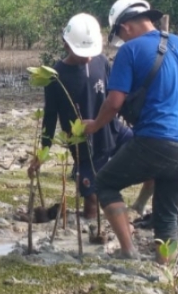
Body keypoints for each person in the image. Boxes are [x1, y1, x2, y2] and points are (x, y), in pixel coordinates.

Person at [83, 0, 178, 260]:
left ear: (125, 26)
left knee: (104, 183)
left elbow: (114, 102)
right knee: (167, 209)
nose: (122, 40)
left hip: (156, 140)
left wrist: (94, 125)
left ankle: (129, 252)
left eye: (119, 34)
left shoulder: (130, 51)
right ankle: (166, 268)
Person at [29, 13, 147, 220]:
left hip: (113, 130)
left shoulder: (101, 62)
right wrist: (42, 154)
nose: (88, 57)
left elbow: (117, 97)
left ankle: (139, 206)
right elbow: (49, 118)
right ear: (66, 45)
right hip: (84, 145)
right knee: (91, 196)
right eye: (83, 53)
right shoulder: (55, 76)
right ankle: (90, 228)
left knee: (148, 157)